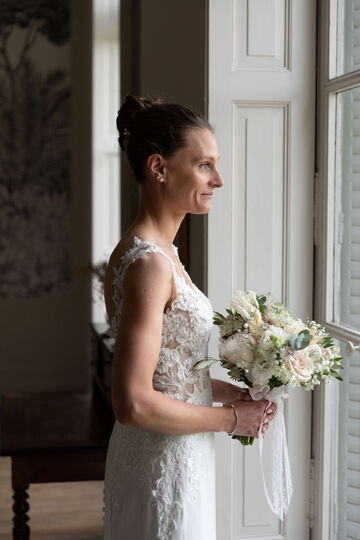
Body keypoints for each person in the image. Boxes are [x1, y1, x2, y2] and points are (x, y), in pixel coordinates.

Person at [101, 95, 277, 540]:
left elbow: (165, 375)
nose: (218, 179)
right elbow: (133, 401)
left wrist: (229, 394)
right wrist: (233, 420)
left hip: (172, 455)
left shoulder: (151, 253)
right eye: (204, 165)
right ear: (159, 168)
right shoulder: (150, 263)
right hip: (162, 462)